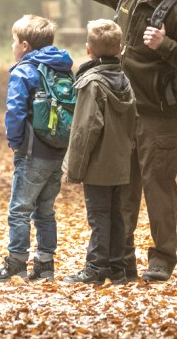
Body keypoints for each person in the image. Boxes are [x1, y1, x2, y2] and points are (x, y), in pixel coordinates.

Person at [5, 0, 177, 283]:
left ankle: (161, 259)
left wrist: (165, 46)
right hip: (121, 113)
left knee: (158, 185)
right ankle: (121, 258)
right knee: (123, 186)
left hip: (158, 116)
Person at [0, 15, 74, 282]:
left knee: (20, 209)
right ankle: (45, 265)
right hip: (58, 150)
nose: (12, 46)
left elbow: (14, 111)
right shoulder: (63, 69)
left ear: (24, 45)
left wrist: (15, 142)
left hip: (32, 151)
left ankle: (16, 263)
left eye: (14, 41)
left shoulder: (24, 71)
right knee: (45, 209)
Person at [61, 19, 138, 285]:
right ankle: (118, 267)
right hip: (119, 161)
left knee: (99, 216)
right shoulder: (125, 80)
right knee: (116, 214)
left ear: (88, 50)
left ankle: (95, 267)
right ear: (119, 49)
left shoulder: (91, 83)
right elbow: (133, 121)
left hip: (97, 165)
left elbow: (85, 130)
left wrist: (74, 169)